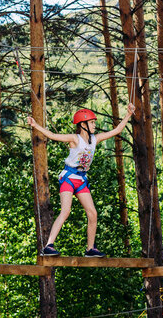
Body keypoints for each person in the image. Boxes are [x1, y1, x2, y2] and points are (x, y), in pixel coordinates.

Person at [27, 103, 135, 257]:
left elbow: (116, 130)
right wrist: (35, 125)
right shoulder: (75, 139)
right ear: (83, 124)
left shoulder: (94, 139)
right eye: (91, 122)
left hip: (81, 180)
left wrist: (128, 114)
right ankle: (48, 246)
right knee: (65, 211)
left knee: (92, 213)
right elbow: (52, 135)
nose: (94, 125)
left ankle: (90, 249)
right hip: (69, 178)